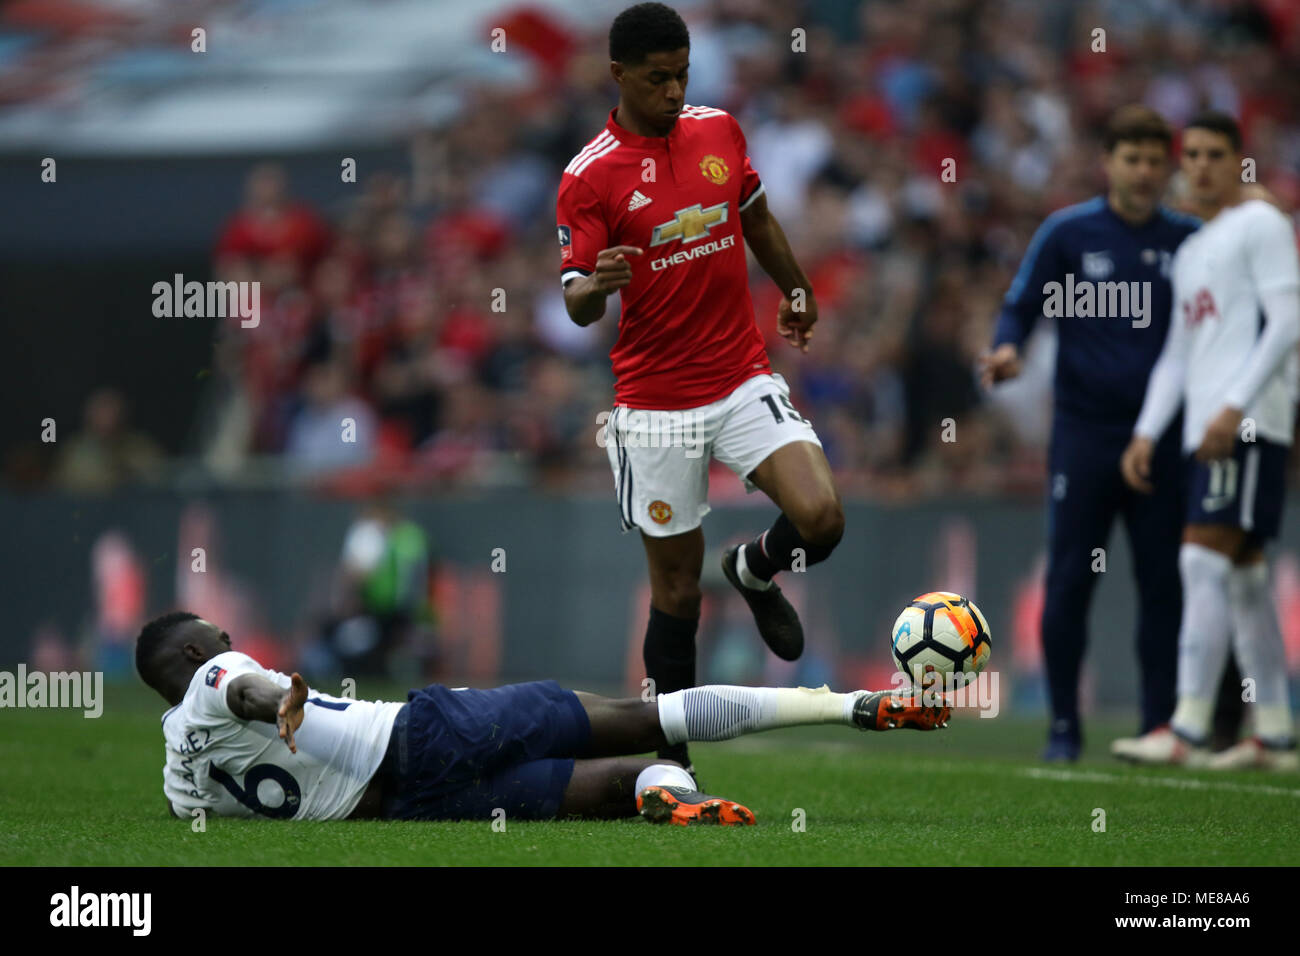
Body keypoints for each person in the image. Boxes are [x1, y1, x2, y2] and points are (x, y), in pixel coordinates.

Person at [556, 2, 844, 781]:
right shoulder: (588, 176)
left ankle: (754, 566)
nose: (674, 89)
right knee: (676, 591)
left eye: (683, 73)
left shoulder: (718, 129)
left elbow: (754, 216)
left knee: (821, 517)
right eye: (658, 78)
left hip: (740, 373)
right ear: (618, 75)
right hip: (653, 403)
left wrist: (795, 287)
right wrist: (597, 286)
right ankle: (670, 759)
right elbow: (575, 296)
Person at [137, 612, 951, 824]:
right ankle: (856, 704)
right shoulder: (217, 674)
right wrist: (276, 696)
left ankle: (660, 796)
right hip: (424, 733)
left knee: (617, 785)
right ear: (189, 658)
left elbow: (213, 768)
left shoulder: (182, 784)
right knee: (647, 717)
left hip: (407, 807)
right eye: (218, 637)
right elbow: (240, 686)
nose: (231, 642)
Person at [981, 105, 1198, 761]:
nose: (1142, 172)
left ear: (1167, 167)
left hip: (1165, 439)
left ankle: (1161, 724)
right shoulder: (1069, 234)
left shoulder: (1190, 241)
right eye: (1130, 158)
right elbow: (1020, 306)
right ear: (1108, 164)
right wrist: (1007, 349)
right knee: (1073, 579)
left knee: (1165, 584)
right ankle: (1064, 726)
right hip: (1084, 437)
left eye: (1154, 160)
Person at [1114, 111, 1300, 771]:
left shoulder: (1262, 225)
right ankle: (1275, 733)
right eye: (1189, 154)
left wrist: (1233, 408)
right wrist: (1145, 431)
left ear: (1238, 161)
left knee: (1201, 562)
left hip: (1247, 424)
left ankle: (1187, 726)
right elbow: (1176, 354)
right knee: (1245, 577)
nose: (1199, 165)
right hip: (1207, 430)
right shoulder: (1192, 251)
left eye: (1215, 154)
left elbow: (1286, 323)